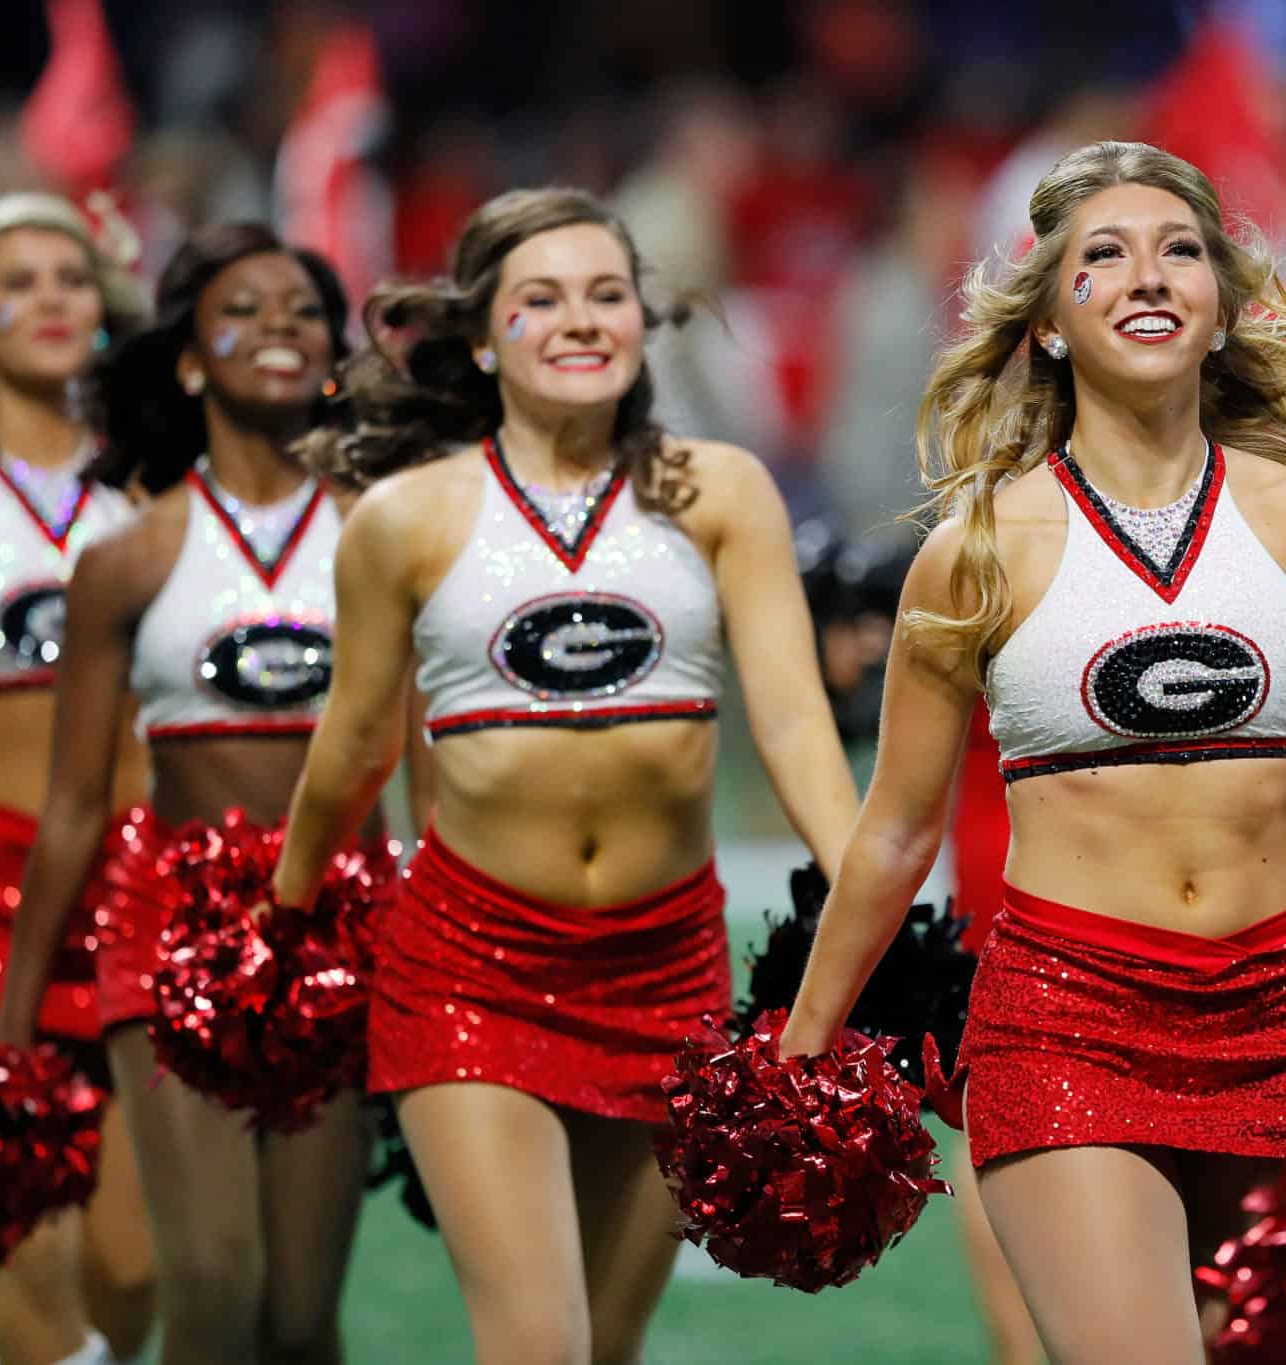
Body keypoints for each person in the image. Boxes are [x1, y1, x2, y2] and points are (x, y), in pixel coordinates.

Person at [781, 140, 1286, 1365]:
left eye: (1178, 252)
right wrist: (798, 1054)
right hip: (1065, 1024)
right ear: (1048, 324)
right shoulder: (976, 550)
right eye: (1102, 256)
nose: (1147, 276)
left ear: (1219, 307)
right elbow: (895, 830)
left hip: (1285, 1020)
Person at [270, 187, 859, 1365]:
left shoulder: (717, 489)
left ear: (643, 320)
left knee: (607, 1346)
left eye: (605, 295)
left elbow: (794, 725)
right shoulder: (405, 516)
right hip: (469, 968)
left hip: (668, 970)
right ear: (484, 338)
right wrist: (283, 923)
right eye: (539, 300)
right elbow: (354, 745)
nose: (579, 320)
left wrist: (867, 892)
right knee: (538, 1343)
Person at [0, 222, 370, 1365]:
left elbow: (407, 780)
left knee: (297, 1319)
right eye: (240, 312)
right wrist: (11, 1031)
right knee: (207, 1279)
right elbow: (75, 804)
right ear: (192, 361)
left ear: (333, 356)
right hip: (164, 933)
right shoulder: (129, 557)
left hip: (334, 931)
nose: (276, 329)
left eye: (301, 312)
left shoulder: (385, 535)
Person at [0, 192, 155, 1365]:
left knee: (132, 1269)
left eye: (71, 278)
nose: (49, 299)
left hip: (134, 895)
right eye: (17, 280)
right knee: (28, 1246)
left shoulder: (153, 490)